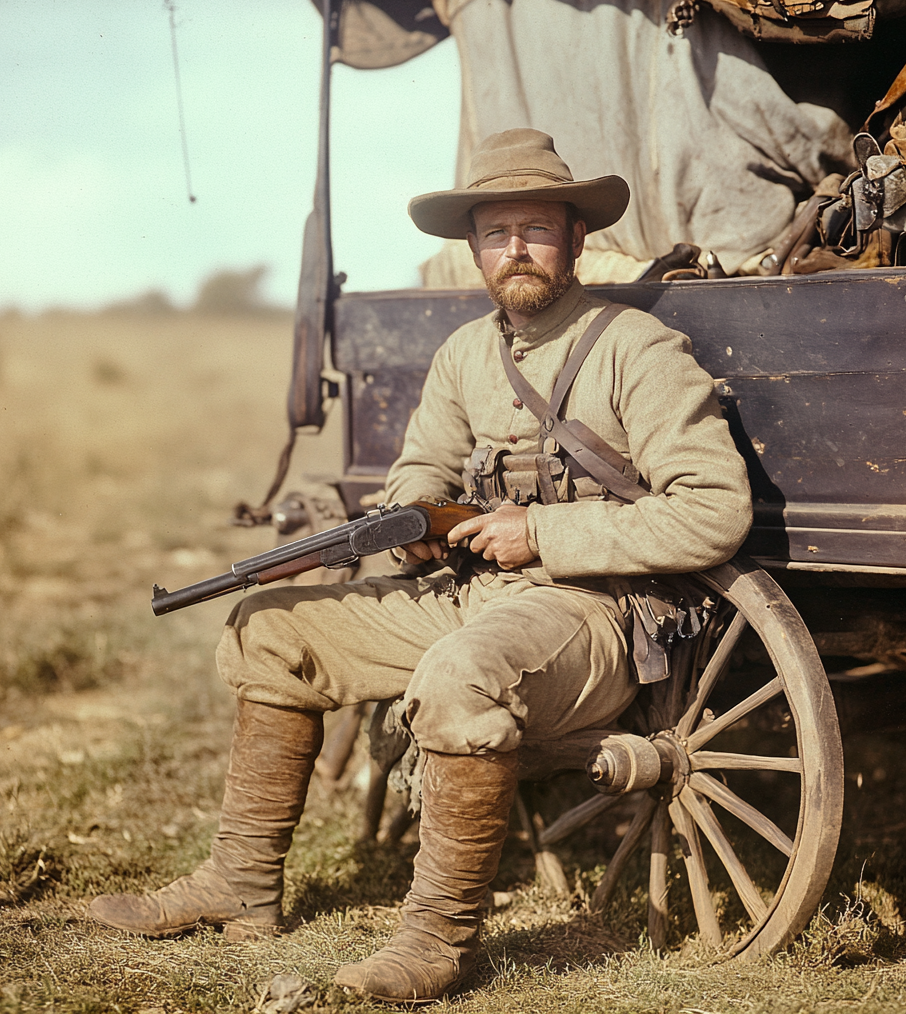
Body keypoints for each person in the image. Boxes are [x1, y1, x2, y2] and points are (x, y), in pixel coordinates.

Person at [87, 128, 752, 1004]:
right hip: (470, 597)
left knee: (459, 676)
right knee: (269, 629)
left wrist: (545, 535)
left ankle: (439, 939)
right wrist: (415, 529)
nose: (516, 250)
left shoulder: (635, 348)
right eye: (496, 233)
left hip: (596, 613)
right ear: (472, 248)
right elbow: (418, 476)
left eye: (537, 230)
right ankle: (239, 886)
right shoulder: (465, 356)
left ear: (576, 239)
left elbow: (715, 508)